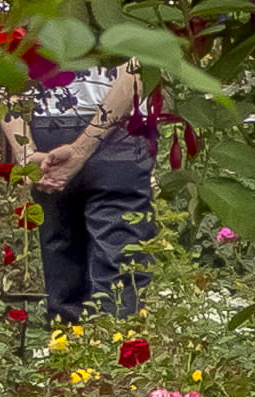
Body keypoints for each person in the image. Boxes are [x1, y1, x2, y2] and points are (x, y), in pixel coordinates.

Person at [14, 57, 160, 320]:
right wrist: (80, 149)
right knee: (119, 273)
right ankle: (110, 348)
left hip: (46, 124)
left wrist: (24, 151)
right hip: (118, 125)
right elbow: (137, 65)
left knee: (63, 268)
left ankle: (68, 350)